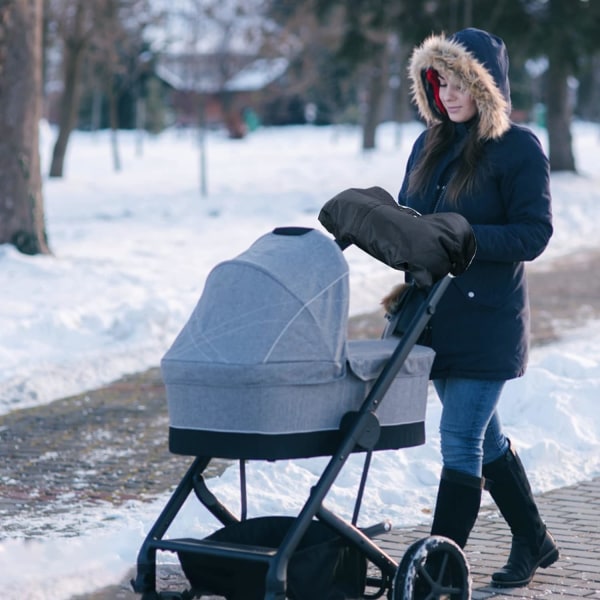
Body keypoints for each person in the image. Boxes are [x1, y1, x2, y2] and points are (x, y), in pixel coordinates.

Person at [393, 27, 558, 587]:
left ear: (487, 85)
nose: (451, 94)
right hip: (435, 317)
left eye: (462, 82)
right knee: (484, 439)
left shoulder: (518, 148)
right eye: (440, 82)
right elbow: (411, 216)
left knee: (461, 439)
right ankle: (533, 540)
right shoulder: (429, 144)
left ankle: (438, 572)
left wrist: (466, 237)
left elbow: (533, 234)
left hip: (488, 318)